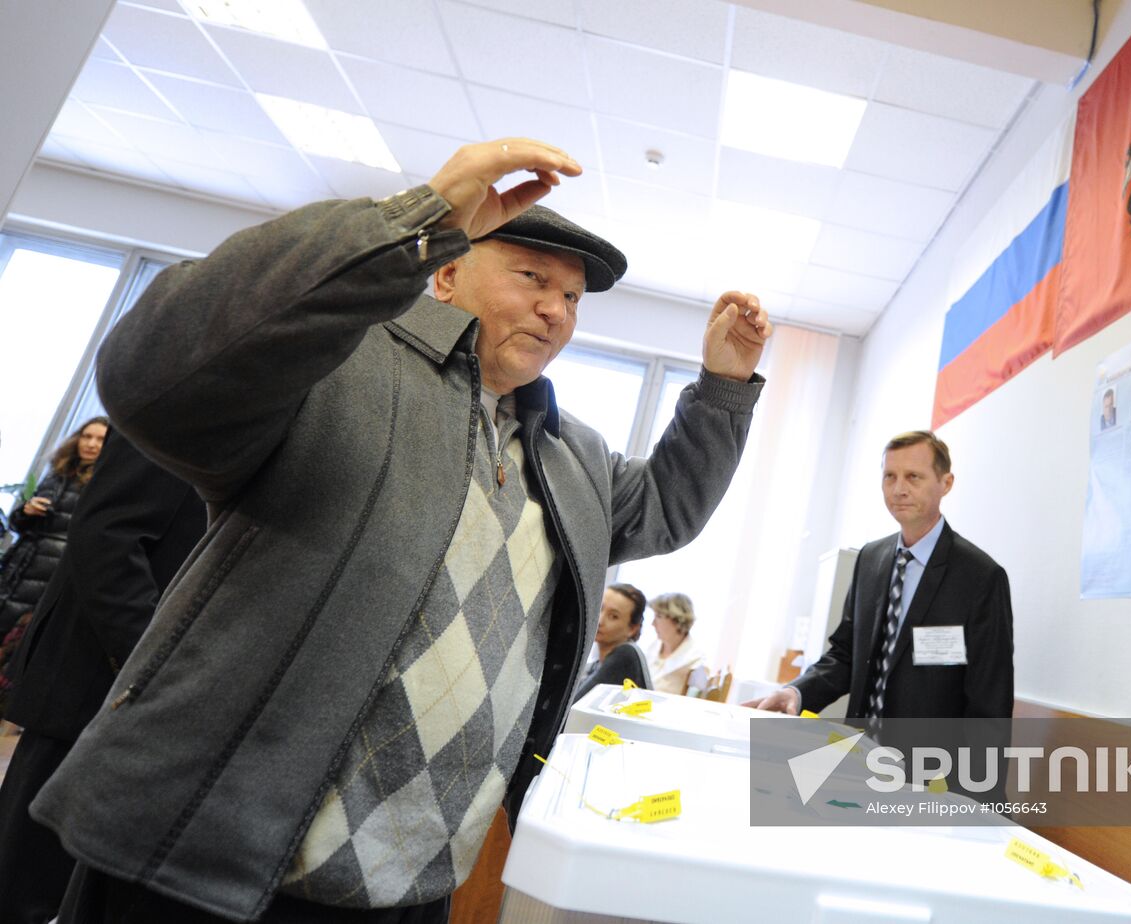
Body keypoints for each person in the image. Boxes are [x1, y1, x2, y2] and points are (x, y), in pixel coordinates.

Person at [35, 138, 771, 924]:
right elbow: (154, 371)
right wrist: (414, 220)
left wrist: (724, 387)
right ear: (447, 273)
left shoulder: (572, 452)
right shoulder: (339, 368)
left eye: (573, 298)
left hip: (413, 877)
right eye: (533, 278)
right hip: (212, 862)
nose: (557, 310)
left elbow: (665, 507)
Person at [0, 429, 206, 924]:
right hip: (93, 680)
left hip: (123, 687)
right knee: (22, 881)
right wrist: (151, 660)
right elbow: (108, 538)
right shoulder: (174, 410)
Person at [749, 431, 1013, 722]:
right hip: (855, 745)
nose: (899, 489)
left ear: (946, 483)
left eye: (913, 476)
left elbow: (990, 705)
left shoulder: (981, 577)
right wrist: (796, 693)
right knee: (781, 766)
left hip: (929, 763)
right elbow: (846, 655)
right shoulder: (870, 559)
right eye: (890, 476)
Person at [0, 417, 109, 698]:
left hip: (50, 580)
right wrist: (26, 511)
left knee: (13, 656)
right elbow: (18, 525)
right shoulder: (59, 473)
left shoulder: (104, 484)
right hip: (18, 568)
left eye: (100, 439)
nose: (91, 444)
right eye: (87, 436)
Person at [571, 583, 651, 702]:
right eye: (599, 608)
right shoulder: (597, 664)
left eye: (613, 616)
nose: (600, 620)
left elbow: (572, 707)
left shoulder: (625, 655)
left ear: (632, 629)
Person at [646, 592, 707, 696]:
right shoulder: (653, 647)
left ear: (678, 619)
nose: (653, 624)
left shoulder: (696, 660)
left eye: (659, 616)